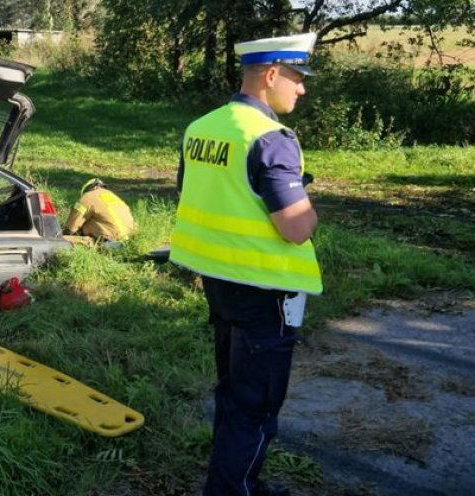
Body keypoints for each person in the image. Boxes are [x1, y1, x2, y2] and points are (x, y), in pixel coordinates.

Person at [169, 33, 323, 496]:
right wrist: (308, 201)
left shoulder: (202, 127)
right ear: (272, 74)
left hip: (218, 282)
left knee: (233, 395)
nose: (302, 89)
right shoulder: (271, 139)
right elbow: (296, 227)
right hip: (266, 293)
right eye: (297, 78)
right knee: (255, 407)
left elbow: (191, 192)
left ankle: (231, 483)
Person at [63, 178, 135, 242]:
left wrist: (63, 236)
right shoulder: (114, 197)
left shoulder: (87, 197)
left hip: (109, 241)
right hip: (130, 237)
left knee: (63, 239)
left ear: (87, 190)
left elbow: (71, 228)